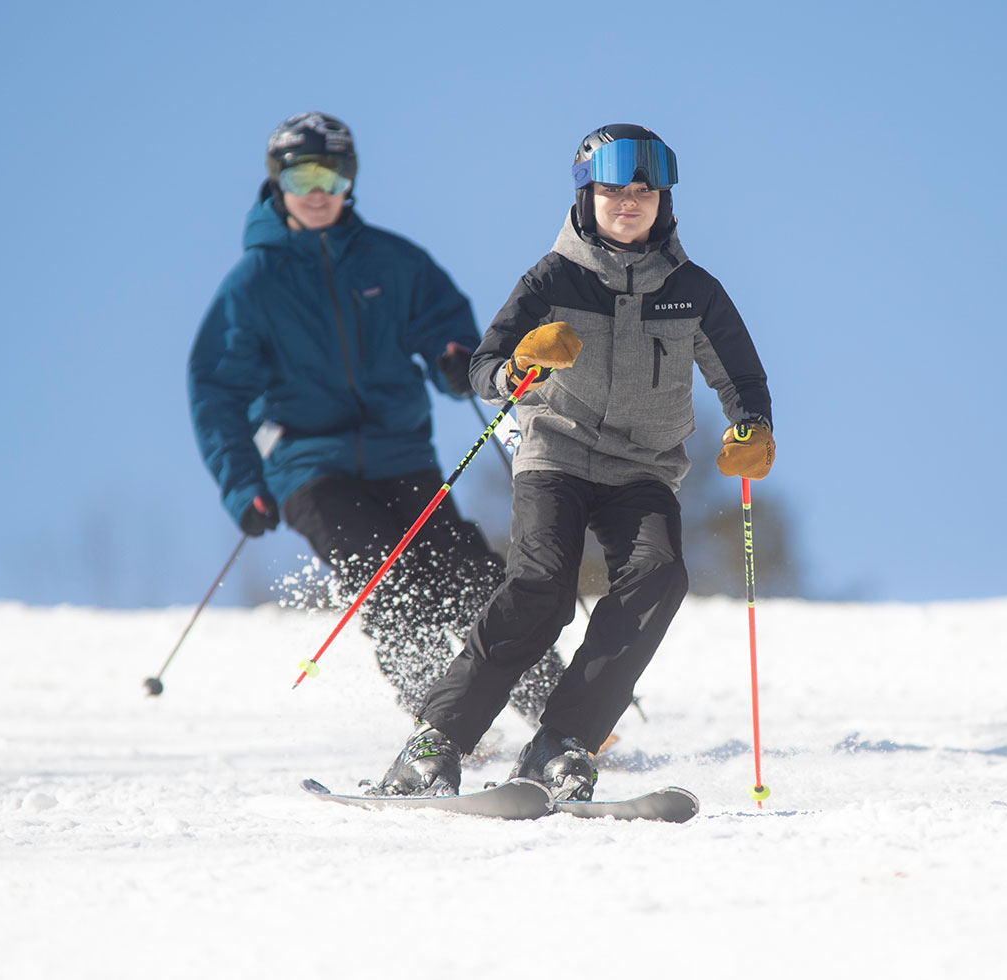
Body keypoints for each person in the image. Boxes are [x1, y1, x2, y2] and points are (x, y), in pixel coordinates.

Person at [371, 124, 775, 801]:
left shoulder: (693, 290)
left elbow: (743, 379)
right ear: (585, 197)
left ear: (663, 202)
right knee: (541, 589)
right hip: (554, 454)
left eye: (644, 191)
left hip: (642, 470)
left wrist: (752, 427)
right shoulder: (551, 278)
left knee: (658, 577)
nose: (629, 202)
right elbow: (483, 367)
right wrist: (522, 366)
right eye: (613, 190)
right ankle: (434, 743)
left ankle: (560, 746)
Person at [188, 111, 562, 721]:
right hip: (309, 467)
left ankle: (555, 706)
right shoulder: (252, 285)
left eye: (331, 177)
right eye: (302, 176)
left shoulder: (393, 262)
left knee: (466, 573)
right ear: (277, 183)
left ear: (349, 183)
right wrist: (242, 486)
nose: (317, 192)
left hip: (401, 452)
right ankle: (439, 718)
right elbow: (215, 392)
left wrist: (457, 357)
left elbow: (451, 326)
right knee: (385, 578)